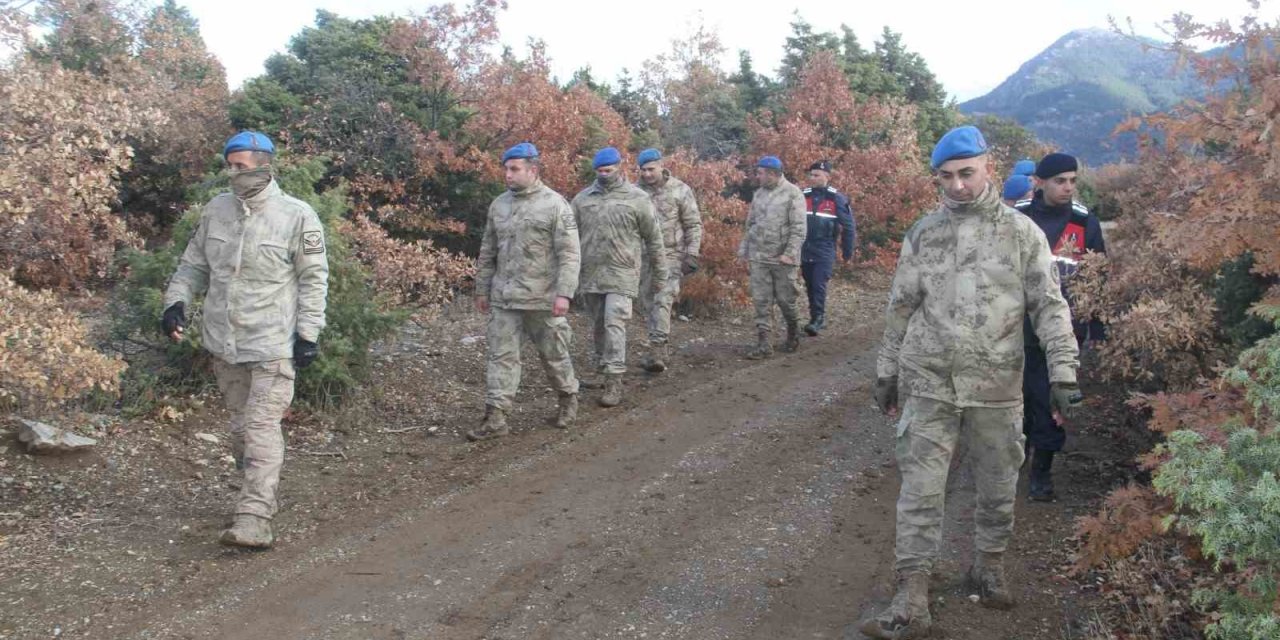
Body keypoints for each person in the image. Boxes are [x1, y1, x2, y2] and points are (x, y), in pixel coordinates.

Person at [862, 126, 1083, 639]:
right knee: (919, 489)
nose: (958, 186)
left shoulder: (1021, 234)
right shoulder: (923, 233)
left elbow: (1049, 306)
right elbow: (900, 306)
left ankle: (988, 567)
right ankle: (912, 592)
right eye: (946, 177)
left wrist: (1063, 371)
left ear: (989, 167)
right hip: (930, 381)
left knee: (998, 483)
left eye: (967, 173)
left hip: (997, 384)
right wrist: (886, 369)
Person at [162, 131, 330, 549]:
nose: (234, 174)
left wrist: (308, 334)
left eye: (242, 166)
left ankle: (255, 516)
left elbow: (314, 279)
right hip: (225, 343)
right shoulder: (216, 211)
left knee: (259, 426)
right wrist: (175, 304)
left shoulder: (297, 216)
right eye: (230, 166)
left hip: (273, 342)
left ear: (264, 164)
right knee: (240, 429)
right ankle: (255, 489)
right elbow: (192, 266)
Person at [468, 142, 581, 442]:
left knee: (553, 353)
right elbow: (488, 249)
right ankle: (496, 416)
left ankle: (568, 398)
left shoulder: (556, 205)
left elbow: (570, 253)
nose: (507, 174)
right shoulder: (499, 205)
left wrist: (564, 294)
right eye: (505, 168)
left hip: (542, 297)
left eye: (514, 169)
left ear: (532, 170)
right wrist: (482, 288)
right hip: (504, 297)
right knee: (501, 356)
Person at [1015, 152, 1106, 502]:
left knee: (1054, 396)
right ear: (1040, 182)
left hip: (1066, 329)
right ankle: (1018, 449)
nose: (1068, 187)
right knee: (1020, 394)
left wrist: (1097, 328)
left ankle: (1042, 471)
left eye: (1072, 180)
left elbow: (1098, 278)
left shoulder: (1085, 223)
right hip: (1017, 325)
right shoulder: (1018, 217)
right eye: (1060, 181)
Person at [571, 147, 666, 407]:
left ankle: (614, 380)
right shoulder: (581, 200)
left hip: (623, 272)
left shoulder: (637, 198)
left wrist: (661, 273)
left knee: (615, 323)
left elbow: (654, 239)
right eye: (600, 171)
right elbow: (568, 239)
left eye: (609, 170)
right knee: (599, 324)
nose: (604, 175)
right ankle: (602, 368)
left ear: (620, 167)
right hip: (591, 274)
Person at [636, 148, 702, 373]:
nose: (646, 174)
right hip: (643, 256)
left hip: (671, 254)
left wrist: (692, 253)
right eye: (643, 170)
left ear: (661, 166)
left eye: (650, 169)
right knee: (646, 302)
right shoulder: (635, 193)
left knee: (663, 299)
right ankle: (658, 345)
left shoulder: (680, 190)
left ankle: (657, 349)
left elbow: (693, 223)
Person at [738, 155, 806, 359]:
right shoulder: (758, 194)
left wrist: (789, 254)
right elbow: (750, 225)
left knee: (786, 301)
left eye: (760, 173)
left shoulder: (793, 194)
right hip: (759, 257)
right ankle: (763, 343)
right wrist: (744, 250)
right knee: (761, 301)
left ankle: (793, 334)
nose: (757, 177)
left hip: (783, 259)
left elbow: (799, 228)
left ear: (773, 174)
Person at [799, 160, 856, 336]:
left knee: (818, 283)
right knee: (809, 284)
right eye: (811, 174)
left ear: (827, 177)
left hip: (824, 248)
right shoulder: (803, 196)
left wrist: (847, 252)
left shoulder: (836, 198)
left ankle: (818, 319)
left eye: (817, 175)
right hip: (804, 248)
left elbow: (849, 227)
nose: (812, 178)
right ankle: (814, 316)